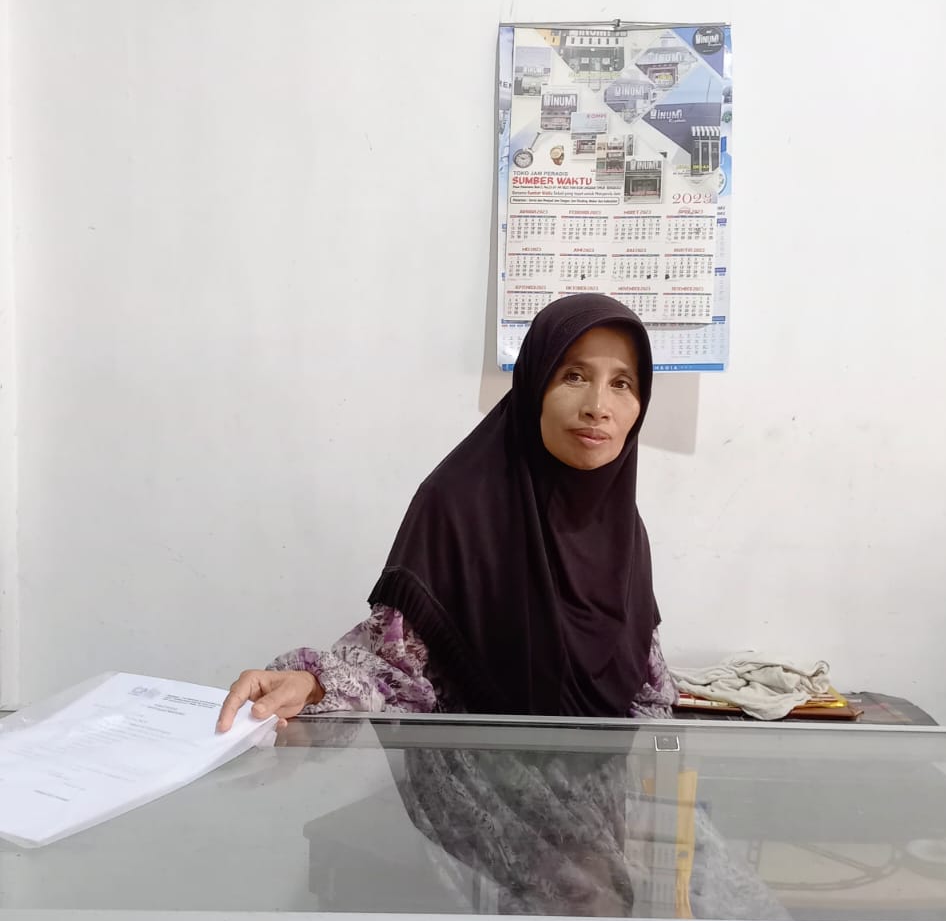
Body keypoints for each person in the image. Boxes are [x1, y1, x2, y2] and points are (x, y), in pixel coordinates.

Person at [217, 293, 676, 731]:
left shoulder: (623, 528)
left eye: (622, 383)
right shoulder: (457, 506)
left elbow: (645, 686)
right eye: (574, 376)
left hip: (605, 782)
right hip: (480, 777)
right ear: (535, 384)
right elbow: (392, 670)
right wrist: (313, 684)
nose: (598, 407)